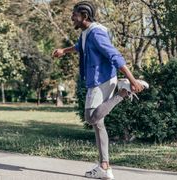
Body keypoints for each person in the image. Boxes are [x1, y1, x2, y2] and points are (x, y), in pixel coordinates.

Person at [52, 1, 148, 179]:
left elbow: (114, 56)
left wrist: (132, 81)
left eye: (74, 14)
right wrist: (64, 51)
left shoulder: (96, 33)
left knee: (91, 117)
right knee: (99, 123)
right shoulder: (85, 33)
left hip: (102, 79)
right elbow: (79, 46)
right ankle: (104, 167)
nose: (72, 17)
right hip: (96, 79)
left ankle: (123, 92)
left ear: (84, 17)